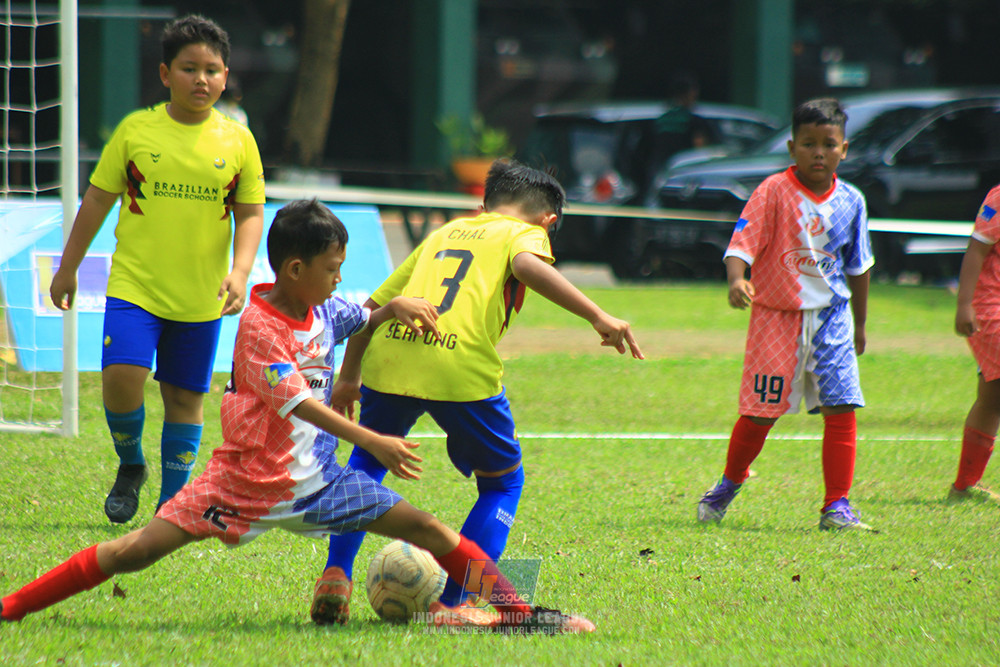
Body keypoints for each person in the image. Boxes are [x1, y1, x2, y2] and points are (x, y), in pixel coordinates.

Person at [0, 200, 594, 635]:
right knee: (133, 550)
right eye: (332, 267)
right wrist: (374, 441)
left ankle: (523, 616)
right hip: (244, 484)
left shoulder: (322, 304)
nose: (339, 278)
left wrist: (393, 307)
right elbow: (301, 402)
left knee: (433, 531)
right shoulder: (260, 328)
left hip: (321, 484)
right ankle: (11, 608)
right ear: (292, 269)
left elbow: (357, 315)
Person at [312, 159, 643, 625]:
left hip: (390, 356)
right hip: (458, 365)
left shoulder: (445, 232)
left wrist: (350, 375)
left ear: (484, 205)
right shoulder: (524, 234)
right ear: (549, 221)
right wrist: (597, 315)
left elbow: (373, 306)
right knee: (503, 483)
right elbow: (528, 267)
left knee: (365, 463)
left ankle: (335, 573)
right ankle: (453, 603)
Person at [48, 15, 266, 524]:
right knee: (122, 376)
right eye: (189, 68)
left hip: (201, 294)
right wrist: (67, 268)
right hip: (135, 285)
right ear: (166, 73)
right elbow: (98, 201)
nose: (202, 80)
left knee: (185, 397)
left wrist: (241, 272)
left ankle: (173, 505)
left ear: (226, 75)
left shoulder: (238, 141)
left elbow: (251, 212)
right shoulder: (136, 130)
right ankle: (131, 465)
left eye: (212, 70)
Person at [695, 98, 876, 531]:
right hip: (777, 317)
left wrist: (862, 323)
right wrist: (737, 278)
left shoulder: (852, 201)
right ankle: (728, 483)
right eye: (809, 143)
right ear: (792, 147)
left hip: (833, 317)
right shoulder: (773, 191)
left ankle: (837, 506)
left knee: (842, 406)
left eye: (828, 144)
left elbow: (860, 265)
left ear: (843, 149)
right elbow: (743, 240)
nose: (819, 152)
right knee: (761, 412)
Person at [949, 185, 1000, 503]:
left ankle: (964, 487)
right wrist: (963, 304)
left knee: (993, 397)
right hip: (990, 306)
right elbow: (976, 249)